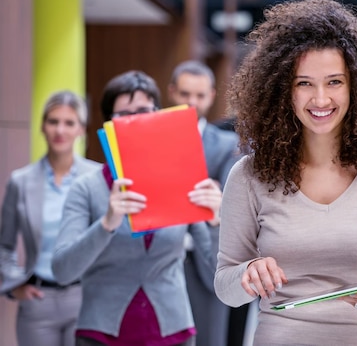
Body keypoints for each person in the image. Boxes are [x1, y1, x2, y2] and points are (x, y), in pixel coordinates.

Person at [213, 0, 357, 345]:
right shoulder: (250, 175)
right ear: (283, 90)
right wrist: (247, 275)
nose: (321, 99)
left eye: (334, 82)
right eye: (304, 83)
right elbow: (226, 285)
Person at [51, 71, 219, 346]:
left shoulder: (181, 180)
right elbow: (63, 271)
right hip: (101, 335)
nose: (136, 121)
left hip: (173, 332)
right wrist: (106, 223)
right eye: (124, 114)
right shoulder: (87, 188)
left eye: (144, 111)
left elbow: (216, 273)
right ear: (109, 124)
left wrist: (216, 222)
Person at [0, 91, 101, 346]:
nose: (60, 130)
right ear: (42, 126)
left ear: (81, 129)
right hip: (38, 303)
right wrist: (14, 286)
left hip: (86, 297)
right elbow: (4, 245)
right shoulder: (20, 182)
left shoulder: (97, 177)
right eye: (53, 121)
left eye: (69, 123)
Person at [168, 60, 242, 346]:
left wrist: (217, 205)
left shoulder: (228, 144)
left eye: (199, 96)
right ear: (172, 92)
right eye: (185, 94)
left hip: (205, 256)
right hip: (157, 258)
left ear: (212, 96)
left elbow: (230, 204)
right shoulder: (154, 140)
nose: (192, 102)